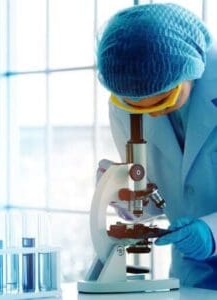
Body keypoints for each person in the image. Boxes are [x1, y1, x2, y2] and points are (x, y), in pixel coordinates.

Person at [96, 3, 217, 289]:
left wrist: (213, 232)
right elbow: (159, 192)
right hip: (192, 270)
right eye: (138, 106)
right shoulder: (127, 103)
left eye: (163, 100)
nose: (152, 113)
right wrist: (123, 194)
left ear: (191, 69)